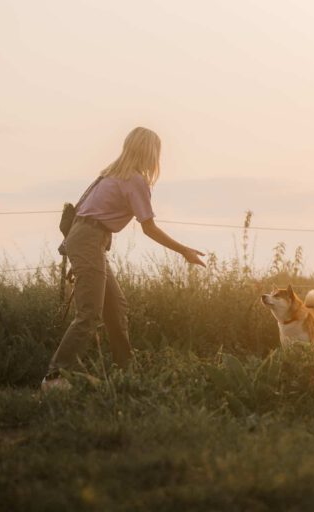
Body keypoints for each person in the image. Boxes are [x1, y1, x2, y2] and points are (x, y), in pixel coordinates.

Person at [42, 127, 205, 391]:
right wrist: (184, 250)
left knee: (116, 309)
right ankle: (54, 377)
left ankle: (125, 377)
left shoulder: (110, 175)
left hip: (88, 240)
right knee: (89, 314)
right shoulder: (134, 180)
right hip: (88, 241)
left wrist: (81, 256)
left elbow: (89, 217)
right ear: (151, 152)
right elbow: (149, 227)